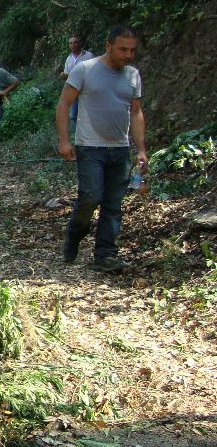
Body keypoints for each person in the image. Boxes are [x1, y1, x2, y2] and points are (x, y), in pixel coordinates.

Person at [56, 25, 147, 273]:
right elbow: (64, 104)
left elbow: (136, 112)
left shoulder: (132, 75)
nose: (128, 55)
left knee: (113, 204)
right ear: (108, 46)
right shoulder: (85, 69)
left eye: (132, 50)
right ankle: (75, 232)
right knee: (91, 197)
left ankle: (105, 255)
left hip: (119, 149)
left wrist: (140, 149)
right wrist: (64, 141)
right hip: (90, 147)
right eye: (122, 49)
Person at [59, 35, 95, 133]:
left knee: (89, 113)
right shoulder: (68, 59)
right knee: (73, 115)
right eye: (70, 43)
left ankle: (91, 134)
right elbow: (67, 76)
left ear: (79, 43)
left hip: (87, 89)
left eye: (75, 42)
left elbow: (94, 72)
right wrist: (63, 76)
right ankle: (78, 136)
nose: (73, 45)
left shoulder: (88, 56)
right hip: (74, 91)